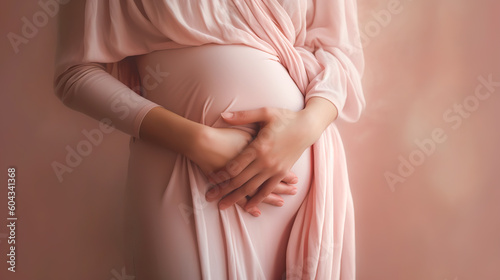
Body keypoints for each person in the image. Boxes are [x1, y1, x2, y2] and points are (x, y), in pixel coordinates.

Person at [54, 0, 365, 279]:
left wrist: (303, 129)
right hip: (181, 168)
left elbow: (340, 53)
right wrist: (199, 141)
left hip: (297, 176)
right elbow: (75, 75)